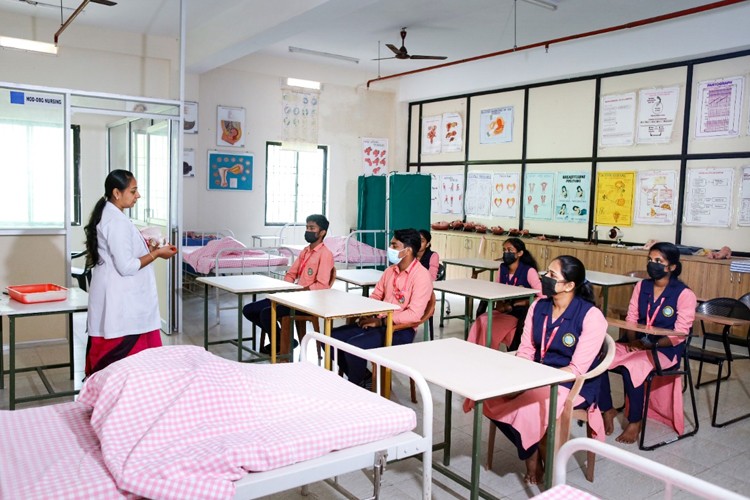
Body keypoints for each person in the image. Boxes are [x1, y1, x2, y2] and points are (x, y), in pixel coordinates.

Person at [464, 255, 607, 484]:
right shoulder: (538, 306)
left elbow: (577, 368)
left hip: (572, 384)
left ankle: (532, 457)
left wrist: (536, 381)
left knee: (528, 406)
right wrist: (520, 377)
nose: (545, 278)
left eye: (552, 275)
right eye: (546, 273)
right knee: (488, 395)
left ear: (569, 285)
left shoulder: (591, 316)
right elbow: (526, 349)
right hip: (536, 374)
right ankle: (534, 448)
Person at [599, 242, 697, 444]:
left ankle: (635, 421)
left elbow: (680, 333)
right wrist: (634, 340)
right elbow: (632, 317)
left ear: (671, 267)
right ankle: (607, 408)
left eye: (659, 261)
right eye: (650, 260)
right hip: (638, 342)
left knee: (631, 366)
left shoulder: (684, 294)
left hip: (665, 349)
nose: (652, 265)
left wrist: (650, 345)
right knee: (597, 358)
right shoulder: (641, 286)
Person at [84, 169, 178, 377]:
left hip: (122, 301)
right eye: (133, 191)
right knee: (126, 367)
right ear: (117, 193)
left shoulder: (113, 215)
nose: (138, 196)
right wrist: (157, 254)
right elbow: (126, 266)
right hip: (123, 304)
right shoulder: (116, 221)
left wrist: (150, 250)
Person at [332, 228, 433, 387]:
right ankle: (362, 378)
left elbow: (414, 315)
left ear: (407, 251)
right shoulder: (389, 271)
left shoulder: (421, 276)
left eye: (394, 246)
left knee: (353, 346)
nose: (390, 249)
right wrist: (367, 314)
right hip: (379, 322)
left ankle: (354, 387)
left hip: (400, 330)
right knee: (331, 339)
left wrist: (382, 322)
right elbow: (376, 296)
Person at [242, 214, 334, 354]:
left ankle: (281, 344)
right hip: (292, 296)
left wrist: (299, 291)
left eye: (312, 228)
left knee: (266, 313)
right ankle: (283, 340)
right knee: (249, 310)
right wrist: (287, 288)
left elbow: (322, 285)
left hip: (309, 302)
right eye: (307, 227)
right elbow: (291, 273)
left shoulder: (325, 254)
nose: (308, 231)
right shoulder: (305, 251)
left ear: (322, 232)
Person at [470, 238, 543, 351]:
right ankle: (473, 351)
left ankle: (486, 353)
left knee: (488, 324)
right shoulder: (502, 268)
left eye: (510, 250)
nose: (506, 253)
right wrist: (500, 304)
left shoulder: (529, 271)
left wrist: (524, 302)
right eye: (504, 250)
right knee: (480, 320)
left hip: (519, 313)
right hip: (504, 310)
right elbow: (497, 289)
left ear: (520, 253)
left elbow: (544, 296)